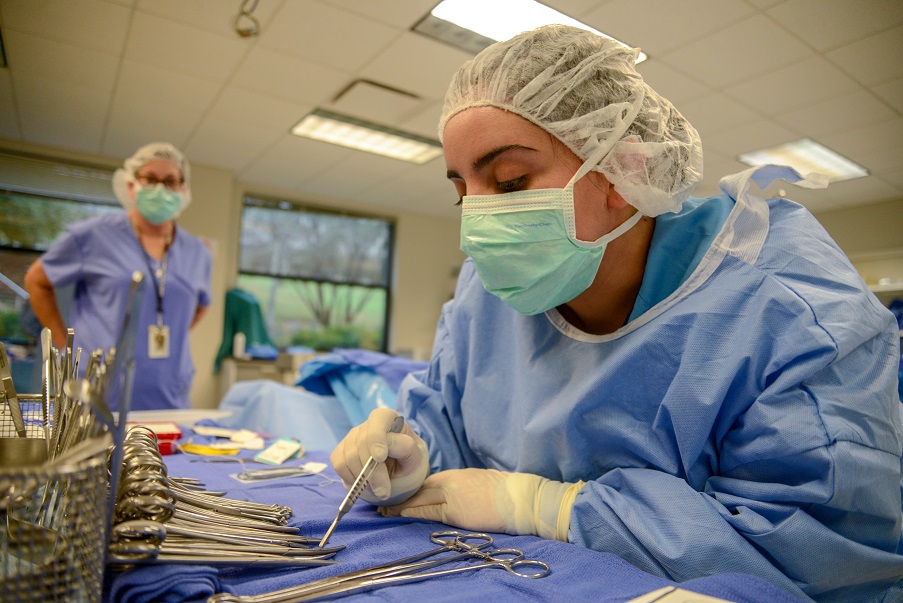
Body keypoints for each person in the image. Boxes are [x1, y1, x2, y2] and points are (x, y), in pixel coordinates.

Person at [330, 25, 903, 603]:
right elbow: (454, 433)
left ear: (624, 174)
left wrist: (546, 508)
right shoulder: (489, 292)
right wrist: (411, 452)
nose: (476, 222)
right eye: (462, 192)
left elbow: (824, 556)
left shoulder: (782, 302)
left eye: (510, 182)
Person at [24, 142, 212, 410]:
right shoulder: (94, 235)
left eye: (171, 181)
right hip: (98, 392)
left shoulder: (198, 252)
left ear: (183, 190)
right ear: (131, 184)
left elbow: (201, 305)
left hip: (168, 394)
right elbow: (36, 280)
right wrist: (64, 344)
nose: (160, 189)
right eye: (150, 179)